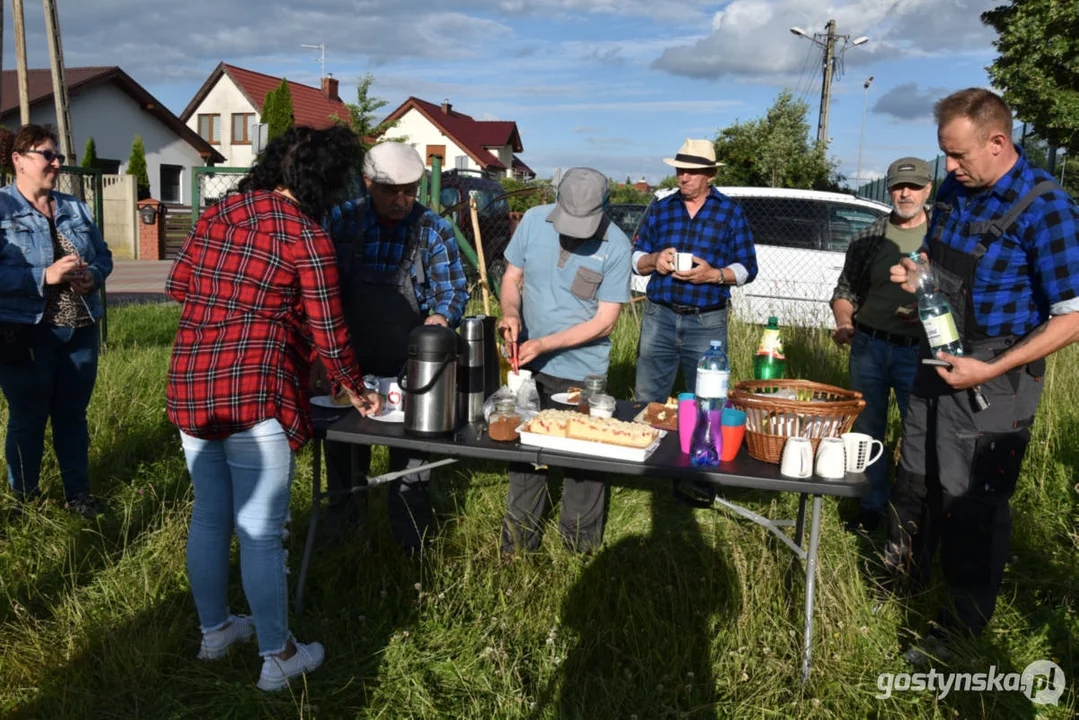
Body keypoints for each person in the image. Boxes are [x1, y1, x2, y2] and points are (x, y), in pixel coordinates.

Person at [166, 125, 381, 691]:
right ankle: (278, 654)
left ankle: (215, 631)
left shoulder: (217, 215)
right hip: (254, 387)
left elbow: (179, 283)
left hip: (190, 379)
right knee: (262, 531)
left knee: (209, 514)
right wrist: (357, 389)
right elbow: (330, 333)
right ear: (326, 183)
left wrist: (234, 305)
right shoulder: (306, 236)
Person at [884, 89, 1079, 662]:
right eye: (944, 154)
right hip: (938, 351)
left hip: (997, 372)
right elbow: (936, 260)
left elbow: (1072, 318)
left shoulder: (1048, 209)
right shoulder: (956, 189)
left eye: (959, 155)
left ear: (998, 142)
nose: (948, 168)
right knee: (916, 477)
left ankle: (960, 627)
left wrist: (987, 368)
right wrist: (913, 272)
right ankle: (902, 585)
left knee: (973, 501)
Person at [321, 141, 469, 552]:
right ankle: (345, 541)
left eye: (411, 190)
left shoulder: (432, 229)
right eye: (392, 191)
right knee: (345, 454)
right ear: (368, 183)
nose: (403, 200)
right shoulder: (342, 222)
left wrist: (442, 317)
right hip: (351, 358)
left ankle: (410, 546)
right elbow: (320, 288)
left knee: (412, 463)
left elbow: (453, 290)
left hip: (414, 367)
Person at [499, 167, 631, 554]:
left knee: (585, 463)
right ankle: (519, 546)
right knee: (527, 459)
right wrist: (510, 313)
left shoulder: (618, 246)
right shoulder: (533, 222)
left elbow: (605, 323)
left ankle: (579, 552)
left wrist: (544, 343)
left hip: (583, 374)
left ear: (604, 210)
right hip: (529, 367)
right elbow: (511, 279)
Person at [0, 124, 112, 517]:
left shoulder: (75, 207)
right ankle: (24, 502)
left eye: (57, 154)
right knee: (28, 417)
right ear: (19, 160)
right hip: (25, 331)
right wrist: (43, 277)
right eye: (46, 154)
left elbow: (103, 255)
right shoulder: (2, 209)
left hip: (79, 330)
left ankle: (77, 495)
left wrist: (92, 276)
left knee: (72, 415)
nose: (56, 162)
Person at [830, 157, 933, 533]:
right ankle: (872, 506)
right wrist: (844, 321)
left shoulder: (942, 237)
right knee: (867, 430)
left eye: (915, 186)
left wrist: (924, 311)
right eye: (898, 186)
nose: (905, 193)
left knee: (918, 433)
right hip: (869, 346)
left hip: (920, 352)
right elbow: (844, 292)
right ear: (889, 189)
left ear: (928, 189)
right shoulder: (868, 237)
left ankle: (913, 513)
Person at [633, 138, 757, 402]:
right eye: (680, 170)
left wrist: (714, 275)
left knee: (707, 400)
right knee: (647, 398)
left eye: (692, 171)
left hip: (707, 322)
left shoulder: (730, 212)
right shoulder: (661, 208)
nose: (684, 177)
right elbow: (636, 259)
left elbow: (747, 268)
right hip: (659, 316)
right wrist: (654, 259)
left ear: (710, 175)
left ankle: (698, 444)